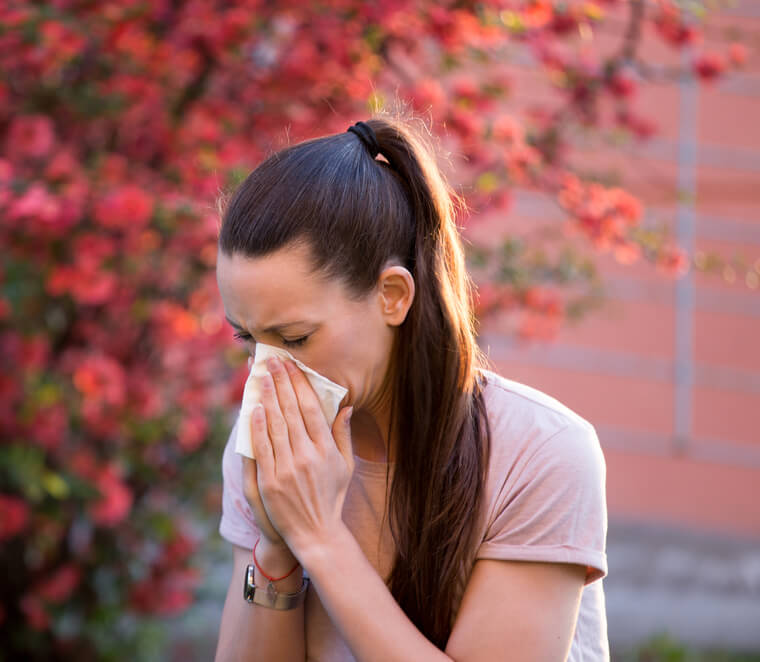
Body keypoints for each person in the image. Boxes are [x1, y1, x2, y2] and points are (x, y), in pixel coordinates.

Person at [212, 112, 609, 662]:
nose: (267, 374)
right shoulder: (275, 445)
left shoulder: (540, 453)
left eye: (295, 338)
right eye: (248, 339)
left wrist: (320, 539)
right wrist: (275, 551)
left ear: (393, 296)